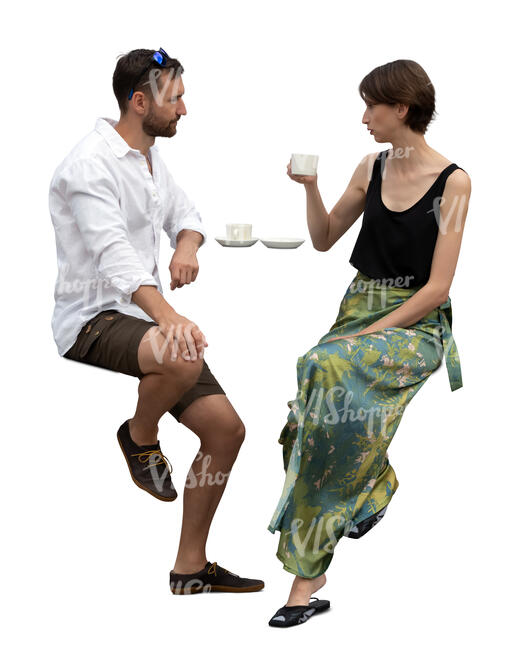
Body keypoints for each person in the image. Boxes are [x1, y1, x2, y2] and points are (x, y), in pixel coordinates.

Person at [49, 47, 264, 595]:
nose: (184, 110)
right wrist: (170, 316)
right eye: (176, 99)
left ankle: (190, 567)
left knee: (226, 431)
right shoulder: (86, 166)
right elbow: (113, 255)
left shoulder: (147, 157)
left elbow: (186, 216)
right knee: (181, 351)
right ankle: (139, 436)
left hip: (138, 321)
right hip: (92, 320)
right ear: (139, 101)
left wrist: (184, 249)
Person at [267, 59, 471, 627]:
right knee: (314, 398)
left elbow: (438, 288)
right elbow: (324, 238)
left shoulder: (455, 181)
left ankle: (305, 575)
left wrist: (372, 333)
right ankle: (367, 492)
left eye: (371, 107)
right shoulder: (371, 166)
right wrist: (310, 189)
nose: (364, 118)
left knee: (323, 366)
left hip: (416, 325)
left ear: (401, 109)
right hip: (359, 308)